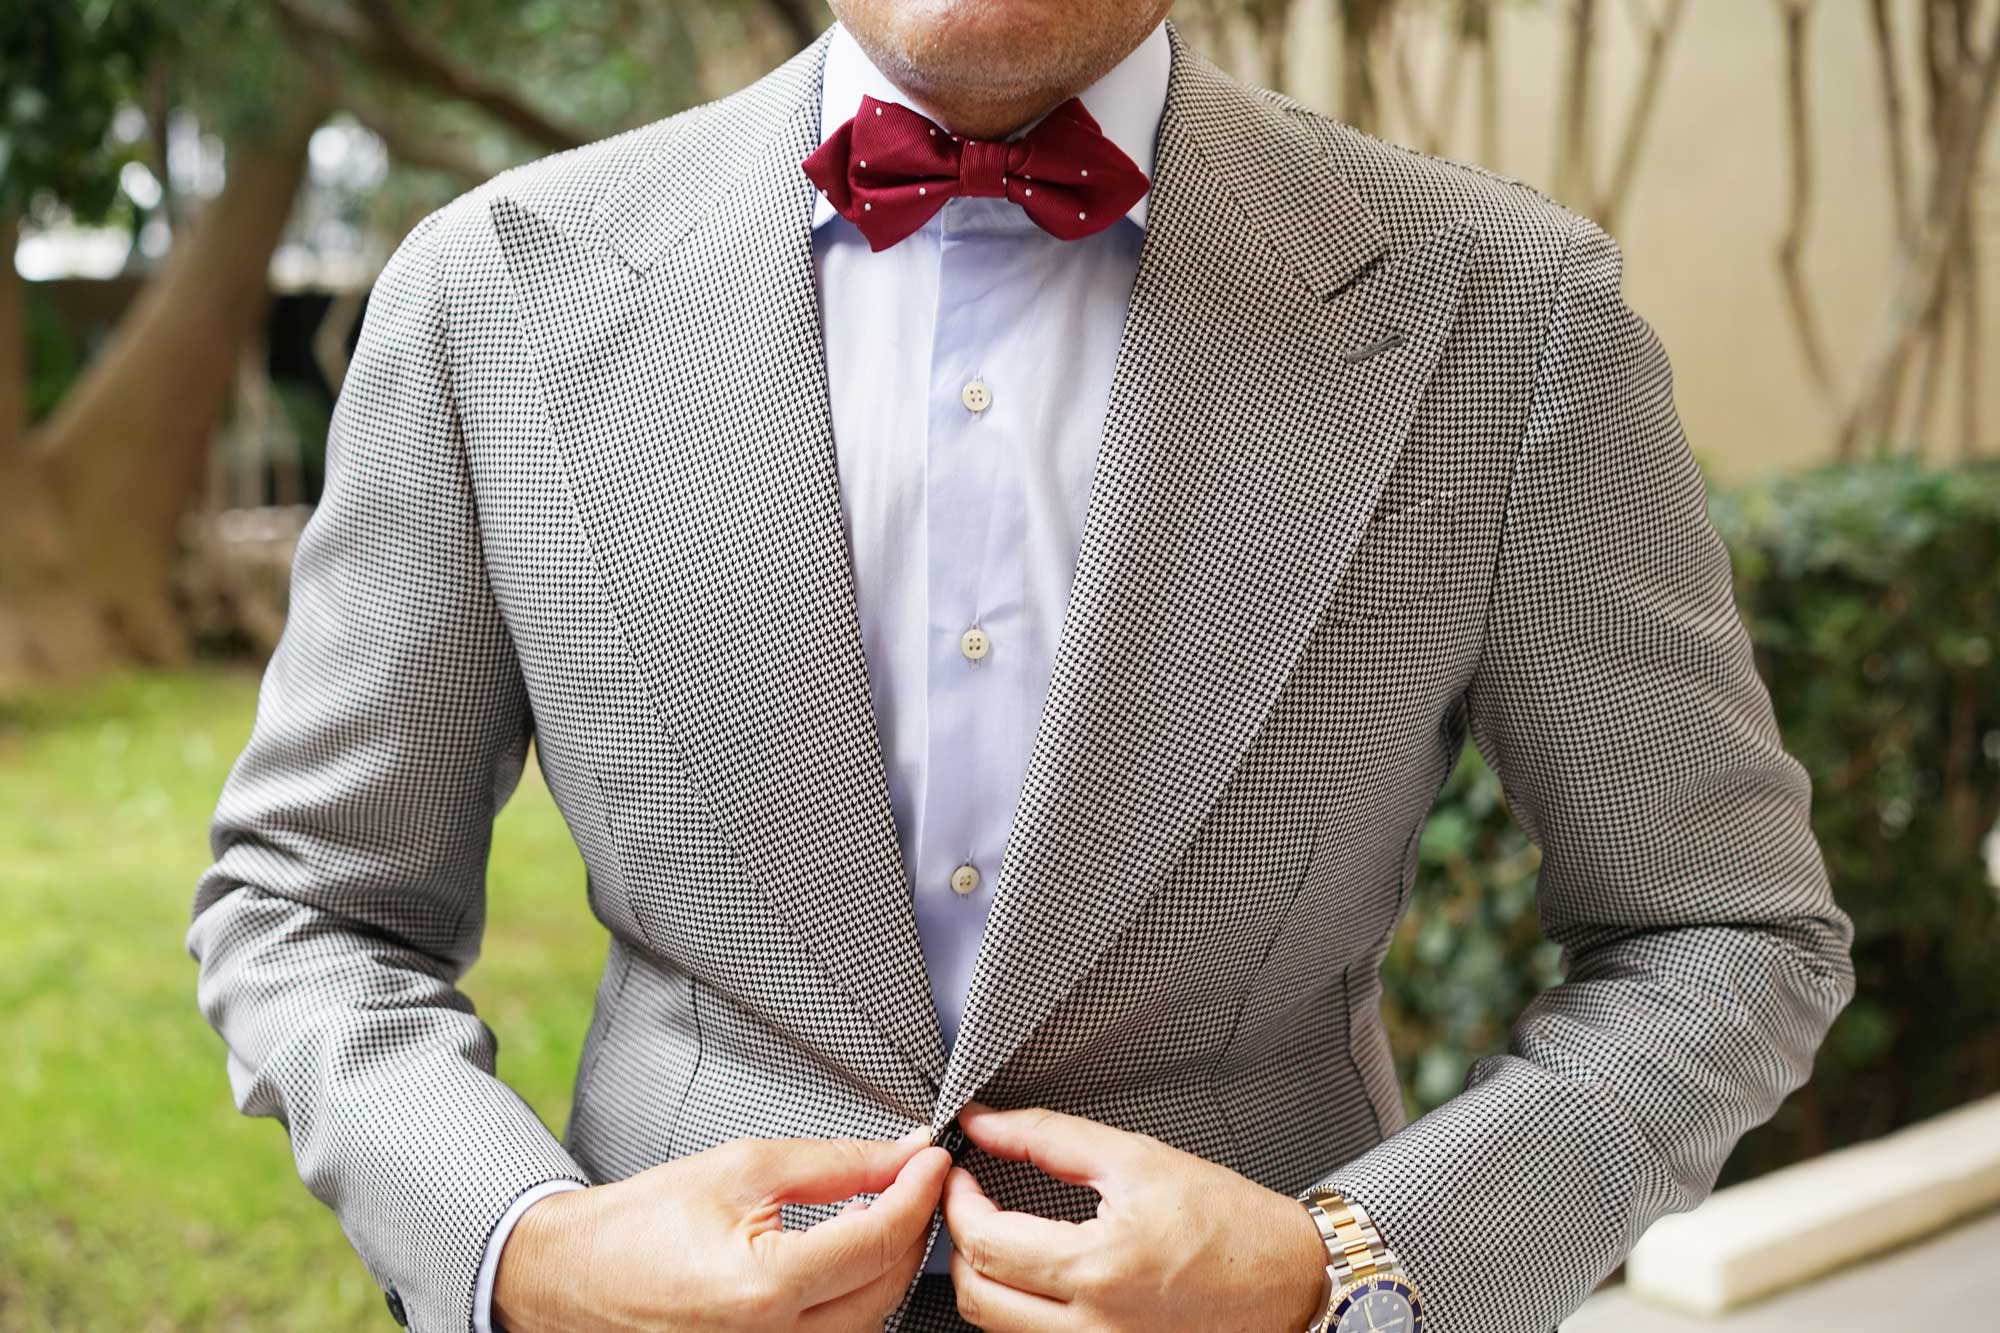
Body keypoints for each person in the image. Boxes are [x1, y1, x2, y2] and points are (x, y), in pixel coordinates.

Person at [186, 0, 1856, 1330]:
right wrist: (527, 1252)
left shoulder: (1510, 314)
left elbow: (1723, 931)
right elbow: (310, 906)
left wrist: (1349, 1266)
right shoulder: (492, 296)